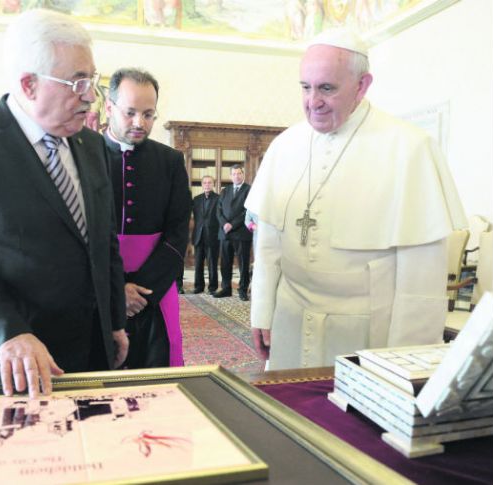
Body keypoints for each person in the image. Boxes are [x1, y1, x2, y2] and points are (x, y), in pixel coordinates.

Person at [0, 9, 128, 398]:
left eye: (92, 80)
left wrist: (113, 321)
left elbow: (103, 240)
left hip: (90, 349)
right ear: (29, 84)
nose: (90, 96)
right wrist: (7, 333)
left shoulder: (92, 144)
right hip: (11, 361)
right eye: (78, 82)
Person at [246, 28, 467, 370]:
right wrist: (262, 310)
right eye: (306, 87)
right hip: (291, 318)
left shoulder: (409, 148)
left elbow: (420, 277)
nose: (313, 101)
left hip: (365, 332)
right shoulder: (285, 145)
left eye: (327, 88)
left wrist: (406, 361)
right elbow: (269, 240)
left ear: (362, 85)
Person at [103, 67, 190, 368]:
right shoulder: (85, 156)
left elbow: (178, 233)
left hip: (154, 290)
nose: (140, 123)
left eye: (148, 114)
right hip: (98, 291)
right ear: (109, 107)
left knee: (155, 373)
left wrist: (141, 290)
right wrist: (116, 291)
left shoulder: (170, 161)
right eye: (130, 113)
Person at [214, 165, 252, 301]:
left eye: (239, 173)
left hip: (241, 233)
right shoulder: (225, 190)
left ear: (243, 174)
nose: (236, 176)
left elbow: (247, 211)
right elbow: (218, 210)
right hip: (225, 233)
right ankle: (226, 288)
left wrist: (232, 224)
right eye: (234, 174)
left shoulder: (249, 190)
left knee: (243, 263)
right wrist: (224, 224)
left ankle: (242, 290)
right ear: (230, 176)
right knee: (225, 262)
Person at [192, 175, 220, 295]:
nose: (207, 185)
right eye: (205, 183)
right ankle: (198, 286)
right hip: (199, 235)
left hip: (213, 236)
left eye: (209, 183)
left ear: (213, 184)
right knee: (198, 263)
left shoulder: (219, 198)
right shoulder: (196, 199)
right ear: (202, 185)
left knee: (212, 263)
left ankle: (213, 287)